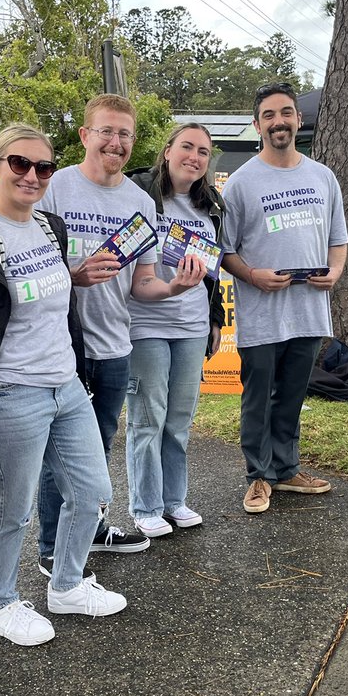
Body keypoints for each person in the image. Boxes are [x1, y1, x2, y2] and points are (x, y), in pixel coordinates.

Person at [0, 123, 142, 638]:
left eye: (44, 167)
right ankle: (0, 604)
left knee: (92, 489)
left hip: (66, 383)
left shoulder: (50, 226)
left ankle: (67, 585)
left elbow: (45, 293)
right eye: (19, 164)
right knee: (12, 508)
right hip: (12, 392)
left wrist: (74, 276)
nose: (32, 176)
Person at [37, 95, 207, 566]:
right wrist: (72, 274)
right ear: (84, 136)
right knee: (59, 455)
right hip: (61, 347)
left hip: (114, 346)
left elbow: (143, 284)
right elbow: (26, 267)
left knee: (97, 447)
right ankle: (52, 549)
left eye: (125, 134)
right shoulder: (55, 189)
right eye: (106, 131)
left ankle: (90, 529)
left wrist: (175, 288)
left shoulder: (139, 202)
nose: (116, 142)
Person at [221, 82, 348, 515]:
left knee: (293, 392)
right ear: (257, 125)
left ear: (298, 119)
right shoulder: (240, 183)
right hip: (261, 313)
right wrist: (253, 275)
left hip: (308, 311)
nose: (279, 121)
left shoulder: (323, 176)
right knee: (258, 395)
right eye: (270, 115)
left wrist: (334, 271)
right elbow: (225, 251)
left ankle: (287, 468)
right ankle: (257, 476)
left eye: (286, 113)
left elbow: (338, 239)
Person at [125, 123, 226, 537]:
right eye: (187, 147)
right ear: (167, 151)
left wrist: (215, 318)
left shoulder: (211, 207)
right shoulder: (140, 196)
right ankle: (145, 505)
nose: (195, 157)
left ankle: (174, 500)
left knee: (179, 420)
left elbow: (213, 272)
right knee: (147, 419)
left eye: (203, 151)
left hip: (191, 326)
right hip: (146, 323)